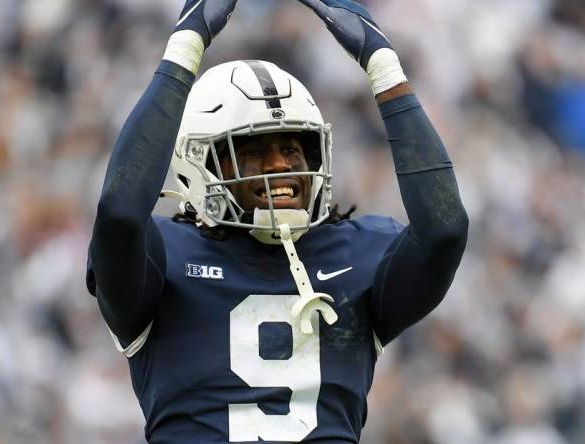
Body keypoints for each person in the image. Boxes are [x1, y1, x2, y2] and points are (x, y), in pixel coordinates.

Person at [86, 0, 468, 442]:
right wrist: (184, 51)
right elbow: (118, 212)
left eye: (292, 149)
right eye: (251, 153)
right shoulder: (165, 256)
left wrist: (383, 68)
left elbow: (444, 229)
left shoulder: (356, 252)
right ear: (200, 165)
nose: (280, 167)